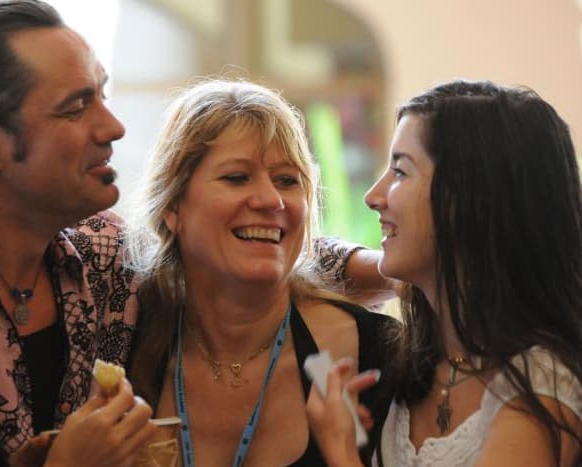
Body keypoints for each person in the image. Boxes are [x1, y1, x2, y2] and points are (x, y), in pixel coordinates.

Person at [0, 0, 388, 455]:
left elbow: (240, 251)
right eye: (76, 107)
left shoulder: (101, 254)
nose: (114, 127)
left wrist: (392, 266)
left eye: (103, 95)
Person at [306, 80, 582, 466]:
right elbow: (313, 259)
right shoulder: (422, 357)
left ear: (468, 199)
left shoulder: (543, 381)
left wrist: (340, 449)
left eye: (400, 172)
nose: (373, 196)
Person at [126, 79, 397, 466]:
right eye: (237, 177)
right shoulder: (122, 340)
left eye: (287, 180)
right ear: (172, 208)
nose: (272, 200)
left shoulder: (376, 353)